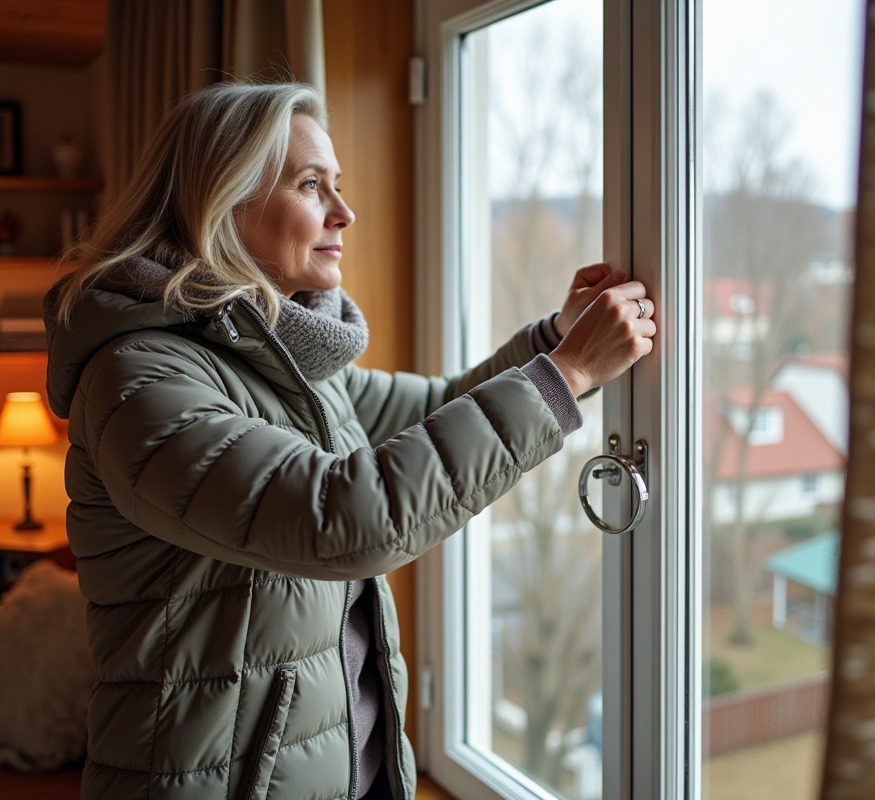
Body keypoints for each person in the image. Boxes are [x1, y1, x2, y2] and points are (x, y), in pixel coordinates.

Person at [45, 81, 655, 800]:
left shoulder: (280, 357)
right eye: (312, 185)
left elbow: (432, 411)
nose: (346, 212)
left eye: (338, 184)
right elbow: (342, 520)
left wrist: (556, 340)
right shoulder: (139, 381)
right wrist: (568, 374)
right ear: (221, 200)